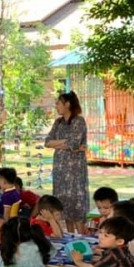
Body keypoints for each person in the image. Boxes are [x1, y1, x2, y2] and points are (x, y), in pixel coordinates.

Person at [45, 91, 89, 233]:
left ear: (67, 104)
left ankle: (82, 238)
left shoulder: (79, 121)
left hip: (75, 171)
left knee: (77, 204)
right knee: (64, 205)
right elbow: (47, 142)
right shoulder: (58, 122)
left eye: (58, 103)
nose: (56, 106)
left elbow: (74, 143)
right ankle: (70, 237)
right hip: (60, 170)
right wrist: (66, 143)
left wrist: (61, 144)